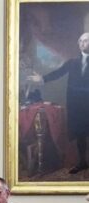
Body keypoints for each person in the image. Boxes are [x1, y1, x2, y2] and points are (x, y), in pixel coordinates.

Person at [29, 32, 89, 174]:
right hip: (76, 104)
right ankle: (82, 162)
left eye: (86, 41)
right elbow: (59, 72)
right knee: (80, 133)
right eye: (81, 41)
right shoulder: (72, 62)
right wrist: (42, 79)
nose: (83, 43)